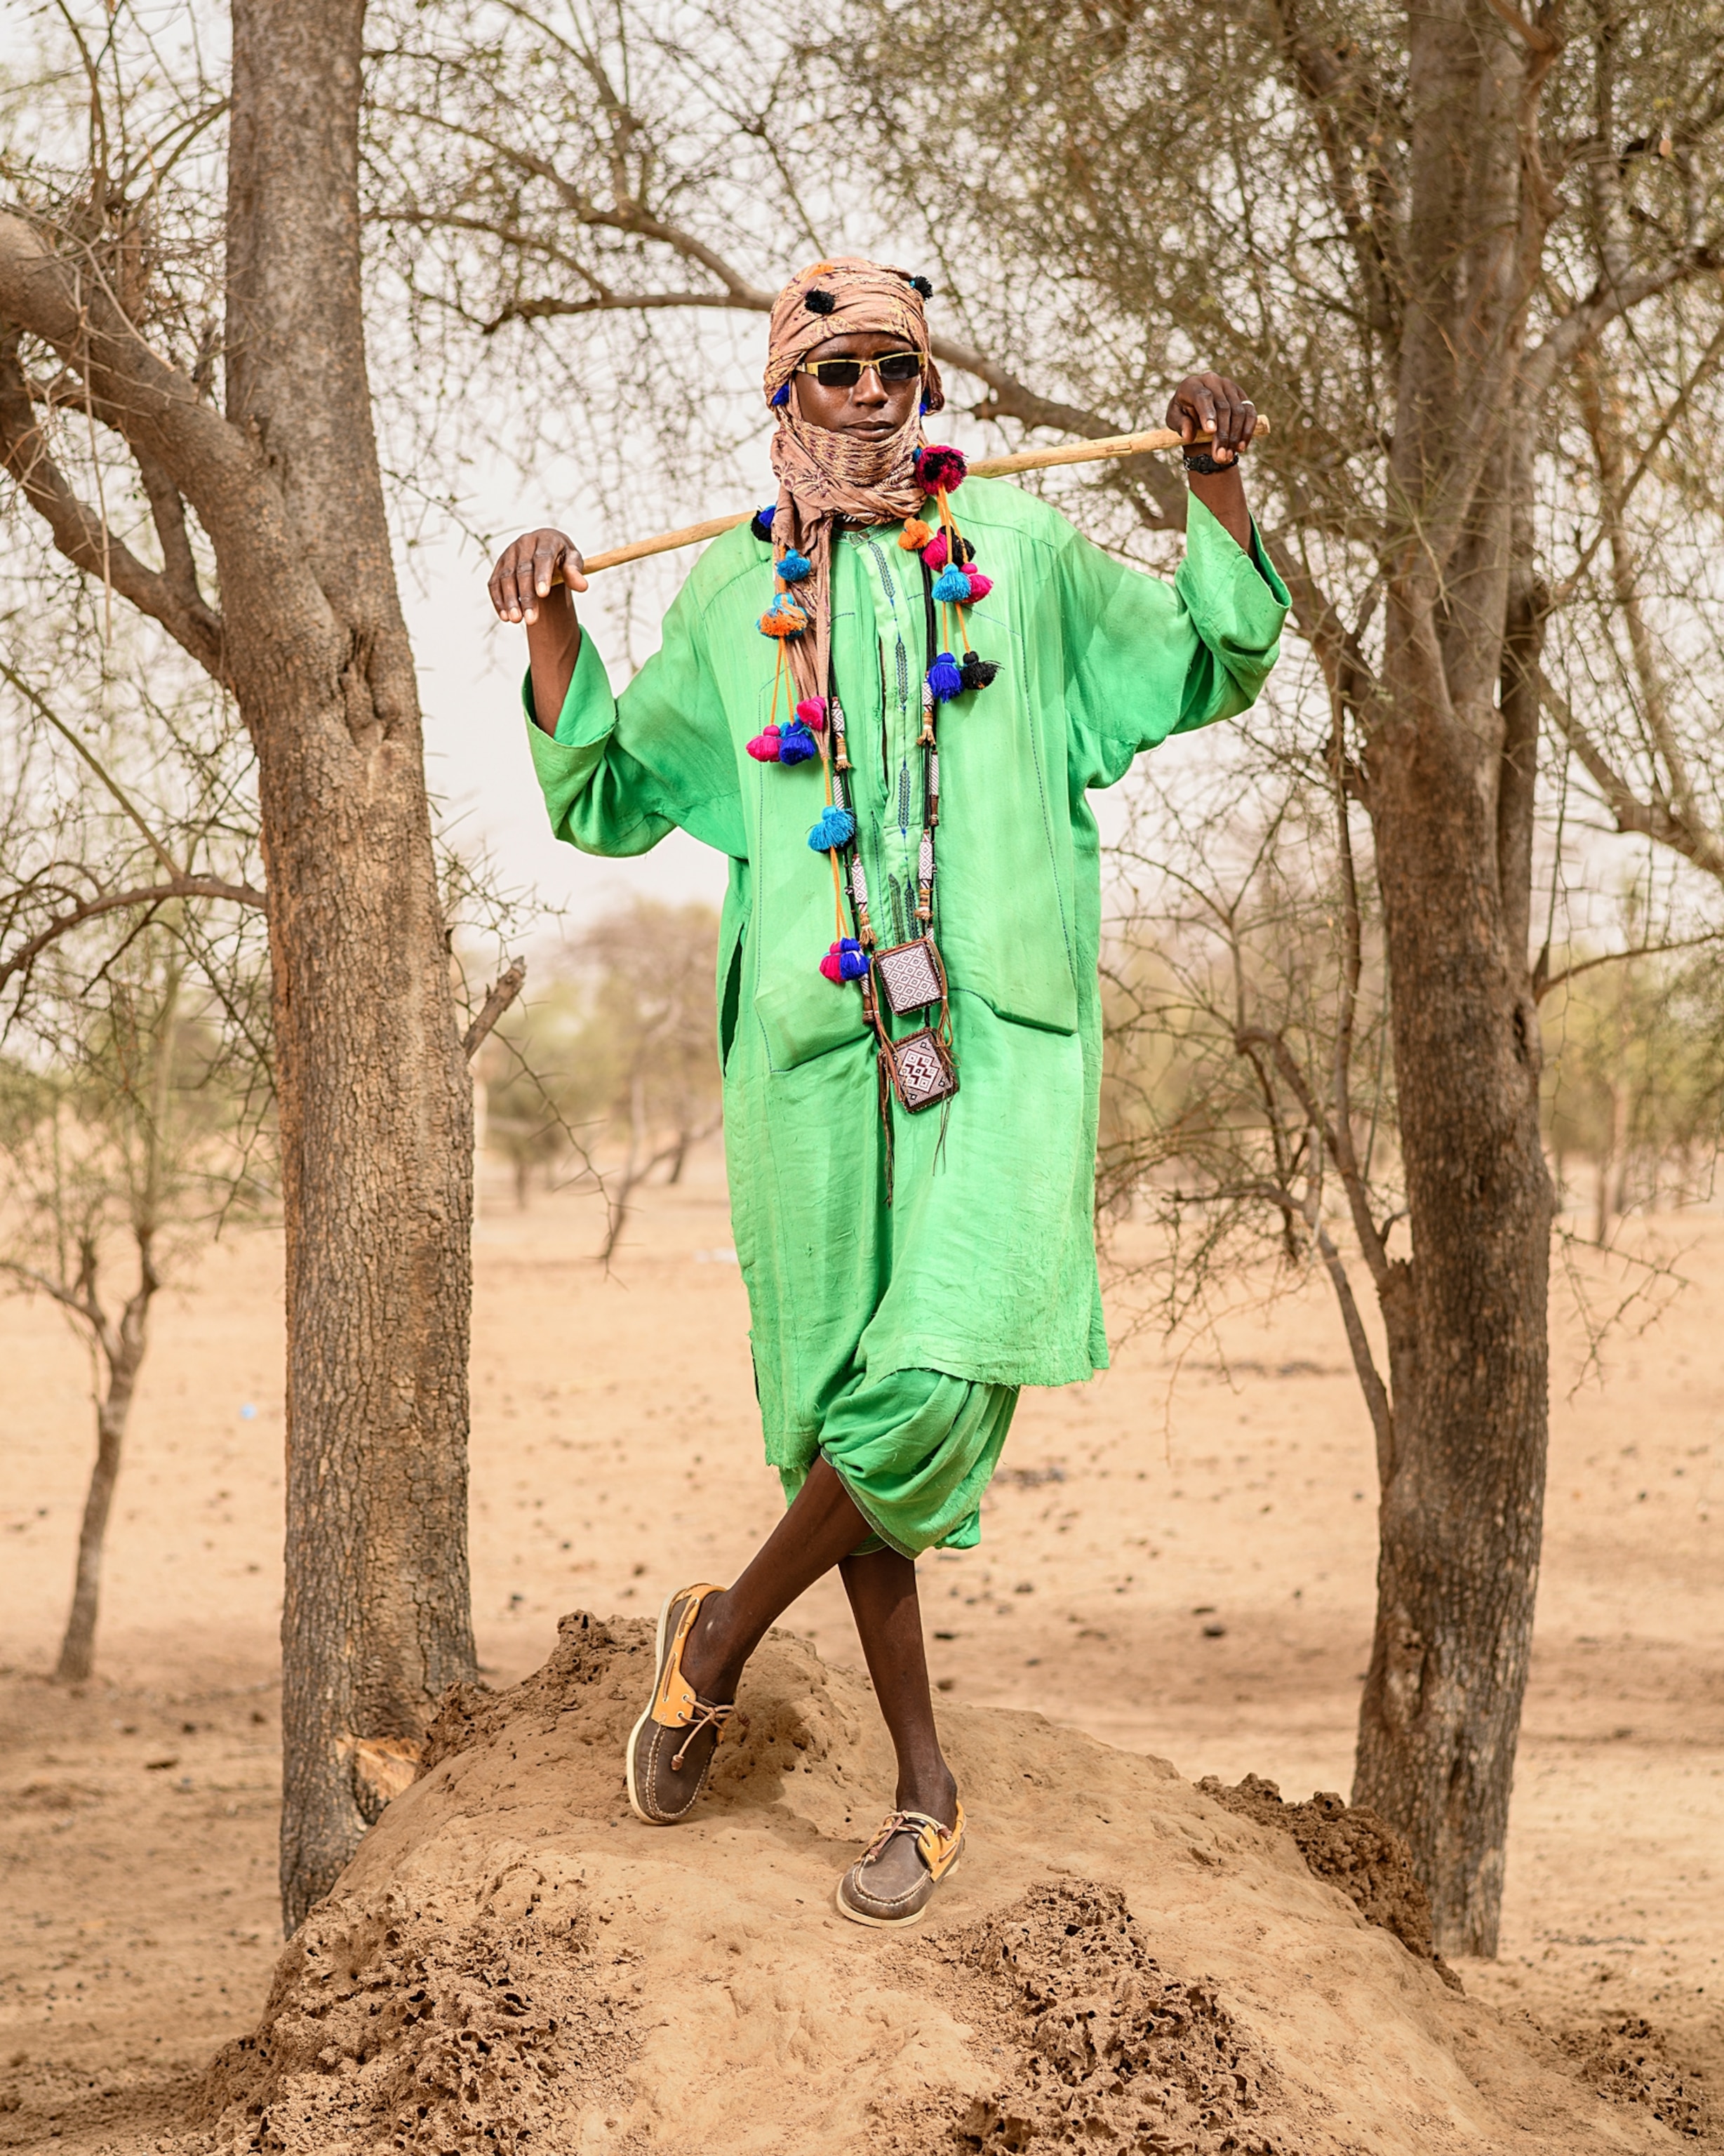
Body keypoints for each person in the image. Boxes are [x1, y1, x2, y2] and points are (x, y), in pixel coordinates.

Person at [488, 256, 1287, 1928]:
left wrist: (1211, 481)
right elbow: (609, 791)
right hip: (810, 1047)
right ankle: (923, 1788)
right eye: (833, 369)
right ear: (782, 390)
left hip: (999, 1032)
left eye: (892, 368)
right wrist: (555, 620)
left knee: (935, 1377)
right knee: (849, 1400)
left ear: (926, 386)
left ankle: (716, 1640)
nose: (866, 394)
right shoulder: (731, 589)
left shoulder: (1023, 551)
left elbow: (1216, 651)